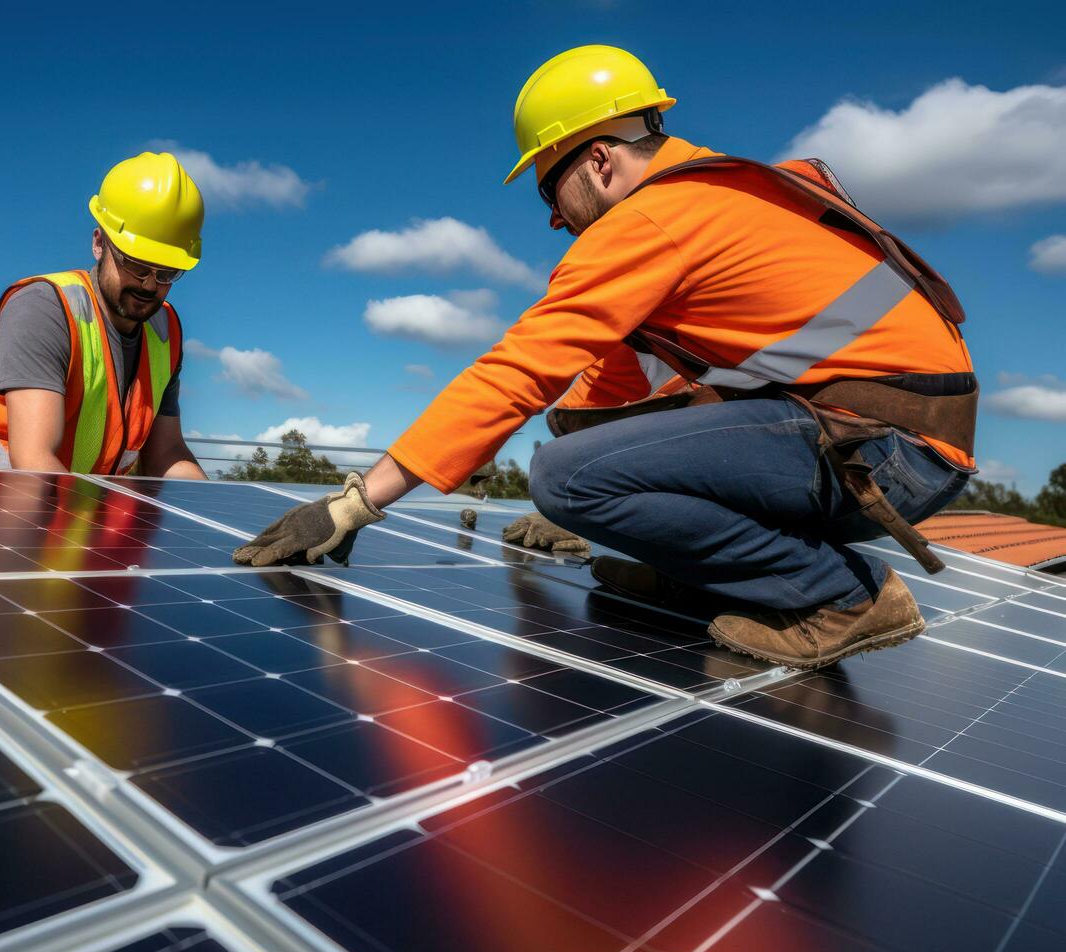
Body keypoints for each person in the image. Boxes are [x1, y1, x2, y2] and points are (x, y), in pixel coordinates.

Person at [233, 45, 977, 671]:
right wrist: (600, 517)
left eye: (549, 191)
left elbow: (518, 370)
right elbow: (604, 394)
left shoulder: (653, 219)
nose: (556, 219)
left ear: (597, 162)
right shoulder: (717, 200)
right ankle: (711, 579)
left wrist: (355, 503)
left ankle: (840, 596)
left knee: (563, 476)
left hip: (880, 453)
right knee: (582, 466)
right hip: (893, 443)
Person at [0, 151, 209, 480]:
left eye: (166, 273)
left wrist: (218, 520)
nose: (149, 285)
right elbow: (34, 460)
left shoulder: (166, 334)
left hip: (22, 501)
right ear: (99, 244)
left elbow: (167, 454)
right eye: (136, 265)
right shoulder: (45, 309)